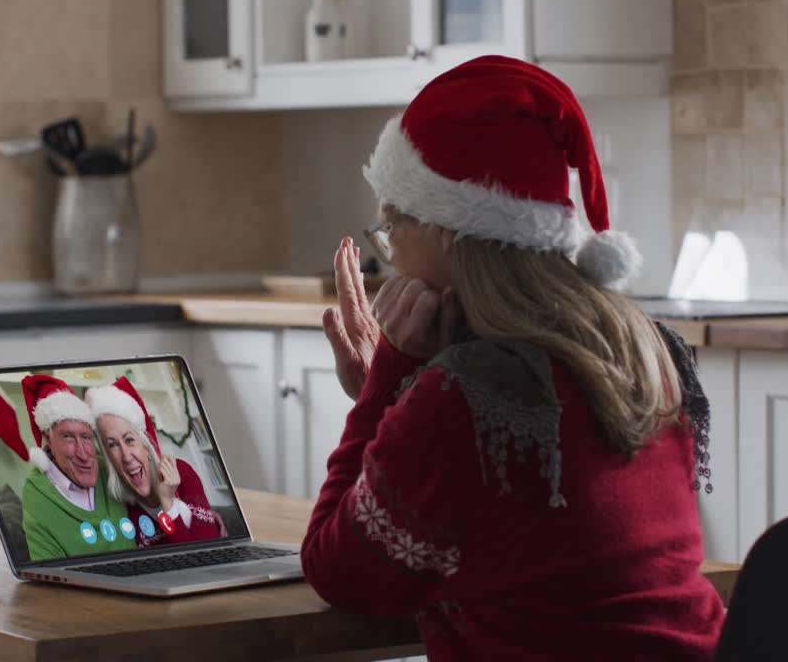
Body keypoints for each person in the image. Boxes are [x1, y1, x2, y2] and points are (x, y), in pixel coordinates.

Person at [303, 55, 723, 661]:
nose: (391, 260)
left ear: (447, 230)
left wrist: (388, 382)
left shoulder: (462, 397)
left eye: (393, 231)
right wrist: (407, 398)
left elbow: (336, 571)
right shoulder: (646, 348)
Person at [85, 375, 226, 546]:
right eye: (113, 445)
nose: (127, 456)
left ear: (145, 445)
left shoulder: (182, 473)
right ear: (109, 458)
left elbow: (206, 554)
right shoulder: (122, 507)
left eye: (129, 440)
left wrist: (167, 501)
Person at [19, 374, 137, 561]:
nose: (83, 454)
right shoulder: (37, 492)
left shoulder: (109, 469)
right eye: (68, 437)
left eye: (86, 437)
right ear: (48, 439)